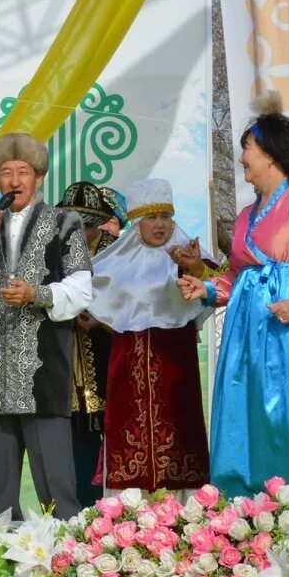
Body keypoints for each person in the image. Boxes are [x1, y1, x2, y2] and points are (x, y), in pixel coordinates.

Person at [180, 93, 289, 517]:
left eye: (247, 149)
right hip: (247, 332)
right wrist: (204, 289)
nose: (241, 158)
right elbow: (239, 278)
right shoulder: (244, 216)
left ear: (271, 155)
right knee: (247, 415)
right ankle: (243, 512)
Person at [0, 133, 94, 518]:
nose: (15, 181)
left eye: (23, 172)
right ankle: (1, 546)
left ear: (38, 179)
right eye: (6, 173)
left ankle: (65, 550)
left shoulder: (65, 222)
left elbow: (82, 289)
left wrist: (37, 294)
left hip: (44, 363)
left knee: (55, 477)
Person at [88, 179, 210, 494]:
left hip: (175, 360)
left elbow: (218, 285)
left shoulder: (187, 254)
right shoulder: (114, 259)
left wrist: (195, 268)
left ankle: (186, 516)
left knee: (181, 432)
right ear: (138, 222)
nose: (160, 225)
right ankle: (126, 515)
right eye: (152, 218)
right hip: (128, 363)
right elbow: (91, 294)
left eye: (166, 217)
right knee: (128, 434)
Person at [61, 180, 117, 508]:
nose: (83, 233)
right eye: (75, 225)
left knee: (115, 440)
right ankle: (82, 512)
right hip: (68, 366)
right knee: (76, 443)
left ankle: (118, 513)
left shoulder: (116, 252)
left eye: (89, 225)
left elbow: (132, 305)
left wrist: (101, 319)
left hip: (110, 360)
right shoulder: (54, 252)